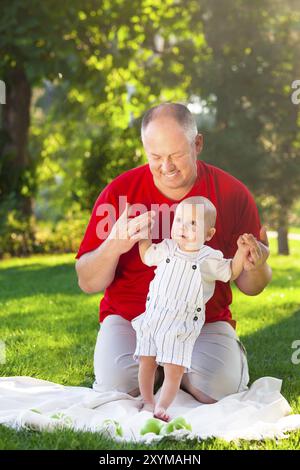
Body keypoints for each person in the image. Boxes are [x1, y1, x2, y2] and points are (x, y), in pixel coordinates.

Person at [75, 102, 272, 405]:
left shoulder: (232, 194)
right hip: (132, 320)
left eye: (176, 154)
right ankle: (160, 369)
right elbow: (87, 282)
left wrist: (257, 265)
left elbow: (251, 285)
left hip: (202, 322)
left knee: (219, 389)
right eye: (155, 156)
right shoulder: (119, 193)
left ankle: (201, 366)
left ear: (198, 144)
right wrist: (115, 243)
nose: (166, 166)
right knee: (117, 389)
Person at [133, 195, 254, 421]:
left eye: (192, 224)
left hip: (181, 325)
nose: (183, 227)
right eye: (179, 220)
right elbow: (147, 256)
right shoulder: (167, 248)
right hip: (153, 317)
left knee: (173, 368)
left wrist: (241, 252)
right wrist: (144, 236)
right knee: (146, 361)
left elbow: (230, 271)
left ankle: (163, 406)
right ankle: (147, 400)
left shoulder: (208, 258)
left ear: (209, 234)